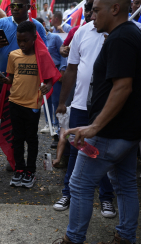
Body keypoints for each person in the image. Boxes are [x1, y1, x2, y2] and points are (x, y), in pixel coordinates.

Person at [36, 0, 141, 244]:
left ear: (114, 8)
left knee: (79, 185)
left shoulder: (121, 38)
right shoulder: (130, 34)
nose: (91, 15)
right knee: (126, 185)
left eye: (96, 10)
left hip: (109, 132)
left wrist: (95, 126)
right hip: (127, 131)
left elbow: (122, 87)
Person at [51, 7, 116, 216]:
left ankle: (106, 198)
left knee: (102, 152)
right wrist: (62, 102)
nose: (91, 14)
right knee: (76, 151)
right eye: (90, 9)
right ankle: (67, 192)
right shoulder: (82, 32)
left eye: (96, 9)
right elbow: (71, 69)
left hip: (106, 106)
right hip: (80, 104)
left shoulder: (122, 32)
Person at [0, 0, 47, 169]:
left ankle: (16, 158)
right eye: (13, 6)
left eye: (19, 6)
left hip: (26, 81)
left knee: (21, 121)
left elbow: (44, 52)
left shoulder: (37, 26)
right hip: (1, 77)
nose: (15, 9)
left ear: (28, 7)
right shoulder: (2, 22)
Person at [0, 21, 54, 188]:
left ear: (34, 38)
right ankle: (19, 170)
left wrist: (48, 86)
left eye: (25, 40)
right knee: (17, 139)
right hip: (14, 101)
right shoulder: (14, 55)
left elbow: (51, 78)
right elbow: (11, 77)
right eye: (19, 40)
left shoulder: (42, 56)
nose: (22, 44)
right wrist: (4, 79)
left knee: (31, 139)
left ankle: (30, 171)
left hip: (32, 104)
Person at [35, 17, 67, 148]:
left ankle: (57, 128)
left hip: (56, 75)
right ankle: (49, 124)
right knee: (46, 101)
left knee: (55, 102)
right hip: (43, 76)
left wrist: (62, 71)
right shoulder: (37, 41)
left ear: (43, 25)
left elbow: (63, 56)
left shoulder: (55, 38)